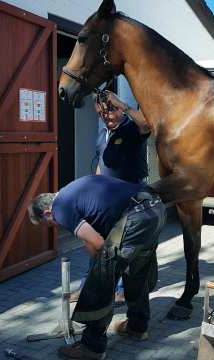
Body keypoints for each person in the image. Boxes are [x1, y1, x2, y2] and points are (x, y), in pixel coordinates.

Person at [28, 175, 165, 360]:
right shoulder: (72, 191)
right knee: (136, 273)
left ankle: (92, 347)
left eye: (50, 225)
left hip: (135, 217)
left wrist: (99, 270)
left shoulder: (60, 208)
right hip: (154, 208)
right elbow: (91, 237)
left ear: (46, 213)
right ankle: (137, 327)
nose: (56, 226)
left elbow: (98, 243)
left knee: (101, 280)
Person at [72, 90, 151, 304]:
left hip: (130, 199)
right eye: (100, 114)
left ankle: (122, 290)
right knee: (95, 243)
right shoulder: (103, 134)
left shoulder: (131, 127)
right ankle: (88, 287)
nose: (105, 117)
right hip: (105, 199)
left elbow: (147, 126)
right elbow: (102, 163)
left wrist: (124, 106)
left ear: (118, 109)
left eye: (109, 112)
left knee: (123, 246)